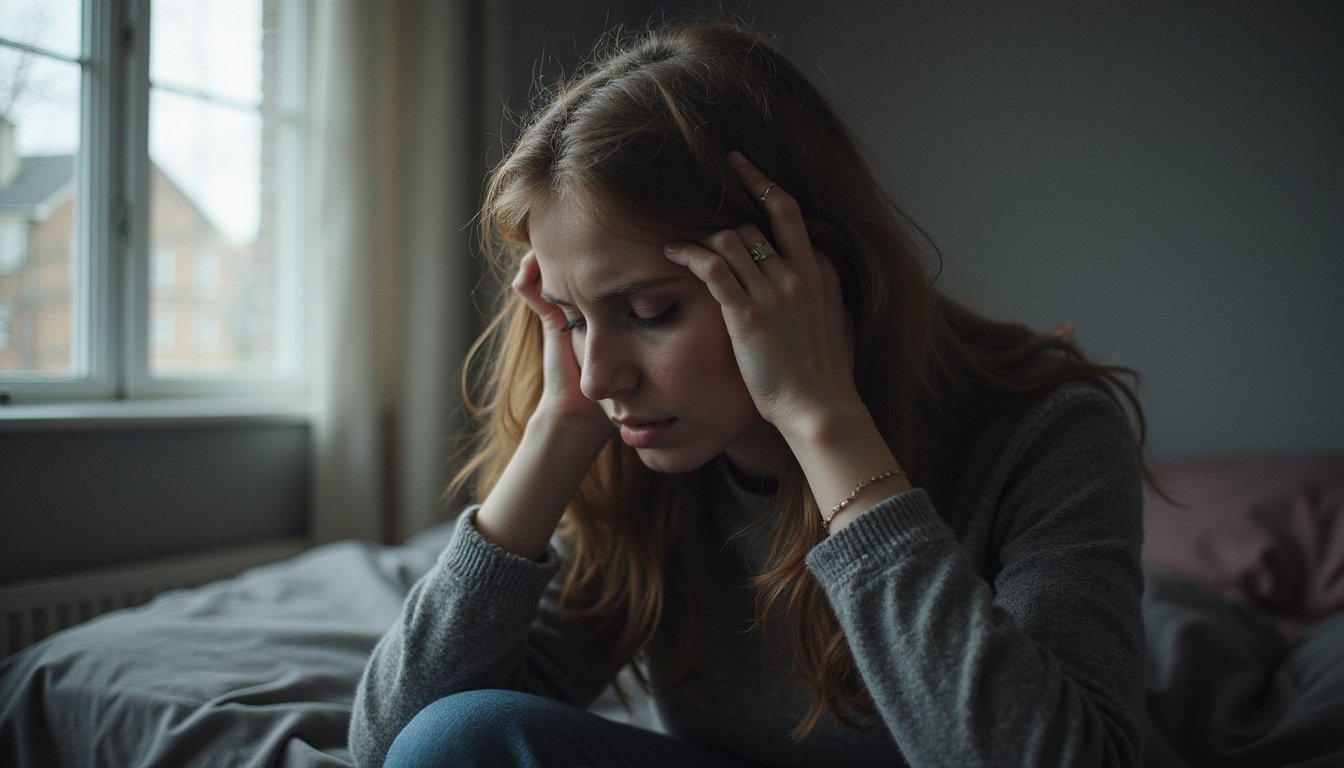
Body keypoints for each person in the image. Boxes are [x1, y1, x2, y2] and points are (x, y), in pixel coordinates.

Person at [350, 18, 1148, 768]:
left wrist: (824, 421)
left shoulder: (1048, 432)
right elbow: (388, 744)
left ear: (804, 273)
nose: (601, 377)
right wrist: (557, 433)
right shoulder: (642, 459)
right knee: (456, 737)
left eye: (650, 311)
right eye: (571, 320)